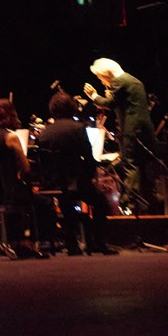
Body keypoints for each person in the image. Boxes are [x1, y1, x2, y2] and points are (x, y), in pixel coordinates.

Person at [35, 91, 113, 255]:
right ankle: (98, 243)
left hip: (53, 184)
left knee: (66, 202)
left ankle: (72, 244)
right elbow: (88, 157)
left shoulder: (44, 133)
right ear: (72, 108)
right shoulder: (78, 128)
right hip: (75, 182)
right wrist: (90, 177)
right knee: (101, 203)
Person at [83, 57, 156, 210]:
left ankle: (131, 204)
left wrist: (94, 96)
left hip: (131, 131)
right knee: (142, 165)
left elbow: (108, 103)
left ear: (106, 74)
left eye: (100, 77)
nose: (101, 81)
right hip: (144, 130)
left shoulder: (119, 81)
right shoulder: (134, 81)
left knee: (130, 164)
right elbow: (121, 103)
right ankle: (147, 202)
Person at [0, 98, 41, 258]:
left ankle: (11, 240)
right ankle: (27, 242)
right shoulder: (11, 137)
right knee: (41, 201)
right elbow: (25, 168)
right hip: (8, 192)